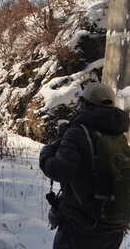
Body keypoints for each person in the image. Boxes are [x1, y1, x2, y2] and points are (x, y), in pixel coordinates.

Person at [39, 82, 129, 249]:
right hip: (114, 225)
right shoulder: (119, 135)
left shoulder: (78, 132)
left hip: (81, 225)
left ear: (85, 104)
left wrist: (48, 150)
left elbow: (59, 170)